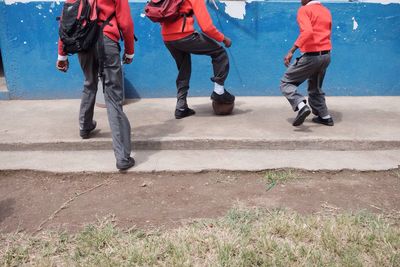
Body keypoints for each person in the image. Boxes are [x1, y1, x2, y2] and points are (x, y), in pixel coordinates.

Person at [56, 0, 136, 170]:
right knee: (113, 96)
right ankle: (122, 157)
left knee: (89, 82)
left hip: (83, 41)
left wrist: (62, 55)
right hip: (106, 40)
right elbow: (126, 22)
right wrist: (130, 50)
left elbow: (67, 20)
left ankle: (84, 127)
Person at [161, 0, 235, 119]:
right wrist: (224, 39)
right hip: (185, 36)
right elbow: (206, 27)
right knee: (220, 53)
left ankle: (181, 107)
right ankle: (219, 91)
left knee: (183, 68)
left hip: (168, 38)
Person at [280, 0, 334, 127]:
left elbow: (308, 32)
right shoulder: (326, 11)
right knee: (315, 88)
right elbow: (327, 32)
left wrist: (292, 50)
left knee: (286, 82)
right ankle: (325, 117)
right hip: (326, 56)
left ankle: (301, 106)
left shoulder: (304, 10)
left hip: (312, 56)